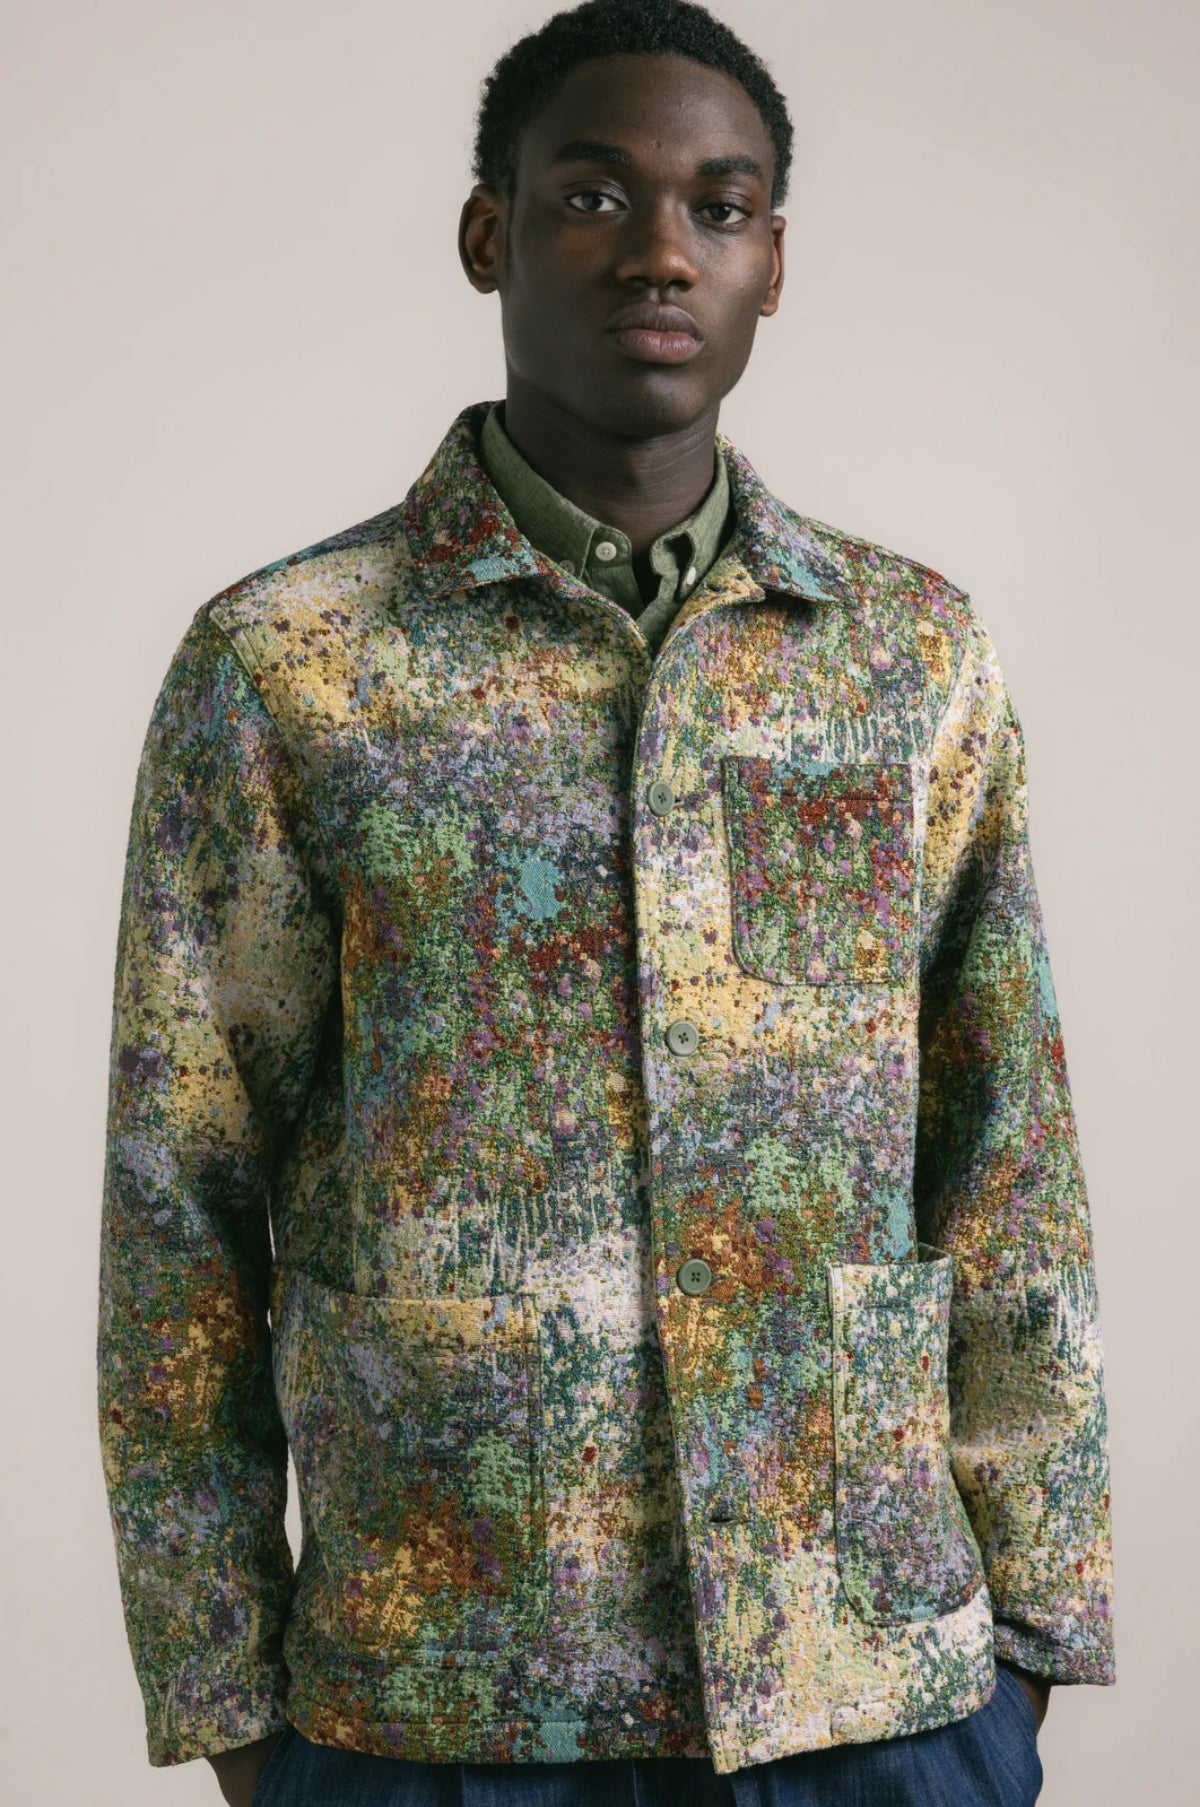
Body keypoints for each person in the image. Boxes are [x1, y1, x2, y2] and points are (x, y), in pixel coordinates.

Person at [96, 3, 1115, 1804]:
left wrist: (1032, 1635)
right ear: (487, 233)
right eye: (593, 196)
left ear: (774, 262)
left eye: (720, 208)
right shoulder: (289, 667)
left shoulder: (909, 659)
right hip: (437, 1694)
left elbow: (1005, 1152)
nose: (660, 250)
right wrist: (230, 1698)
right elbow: (179, 1205)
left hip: (866, 1688)